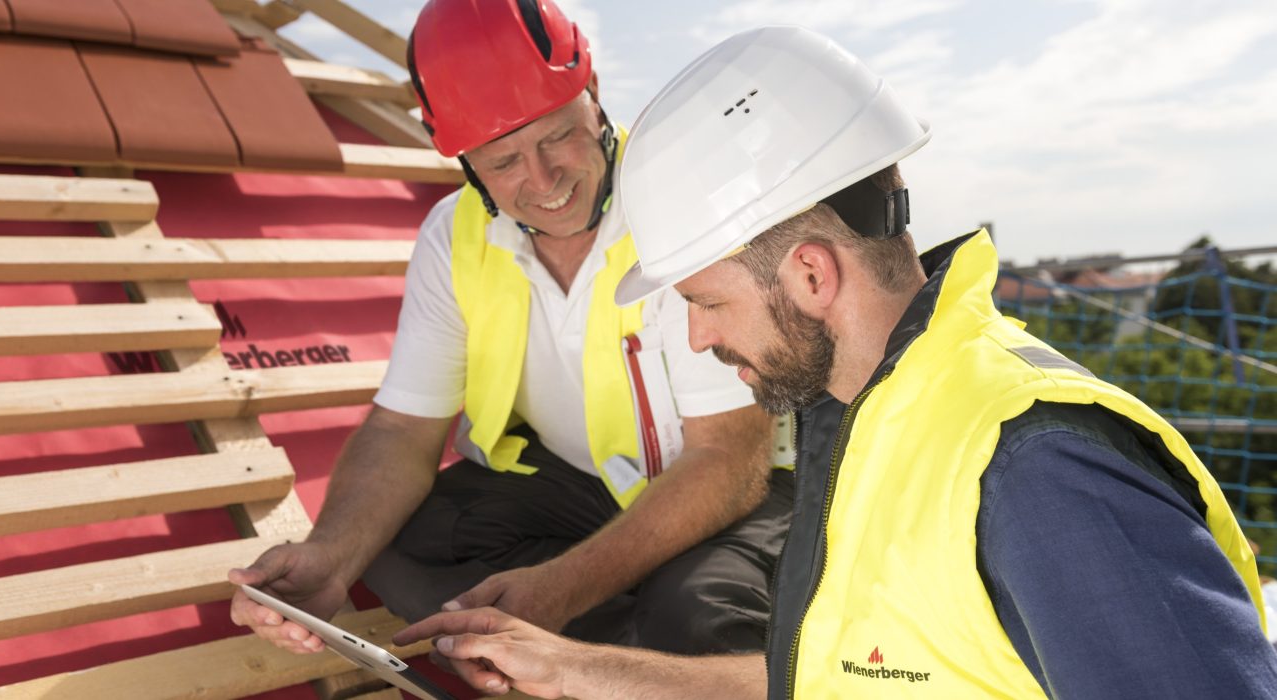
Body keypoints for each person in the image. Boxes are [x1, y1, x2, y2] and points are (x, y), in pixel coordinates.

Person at [395, 25, 1277, 698]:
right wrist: (580, 670)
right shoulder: (870, 422)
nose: (697, 339)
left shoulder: (1034, 475)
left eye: (704, 302)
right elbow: (832, 675)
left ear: (810, 275)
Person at [228, 0, 794, 658]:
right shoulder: (455, 234)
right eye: (502, 162)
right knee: (392, 549)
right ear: (465, 162)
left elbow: (728, 461)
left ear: (595, 94)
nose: (544, 180)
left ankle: (637, 651)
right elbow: (402, 431)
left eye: (558, 136)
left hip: (735, 489)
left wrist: (564, 587)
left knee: (697, 614)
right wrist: (328, 557)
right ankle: (632, 653)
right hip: (576, 487)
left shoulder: (682, 207)